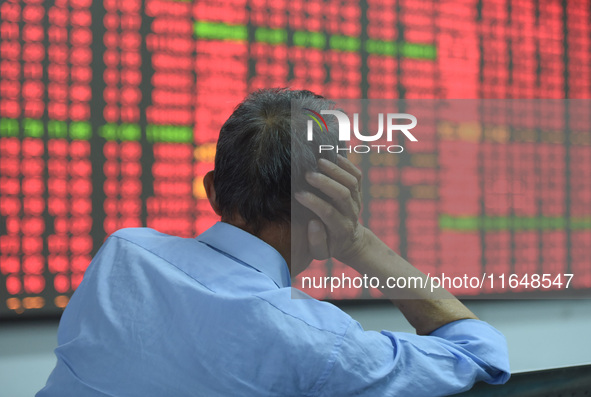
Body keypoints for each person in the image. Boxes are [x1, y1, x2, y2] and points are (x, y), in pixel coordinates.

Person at [37, 88, 510, 396]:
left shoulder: (122, 255)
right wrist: (359, 243)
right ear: (331, 211)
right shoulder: (317, 342)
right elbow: (477, 352)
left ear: (213, 190)